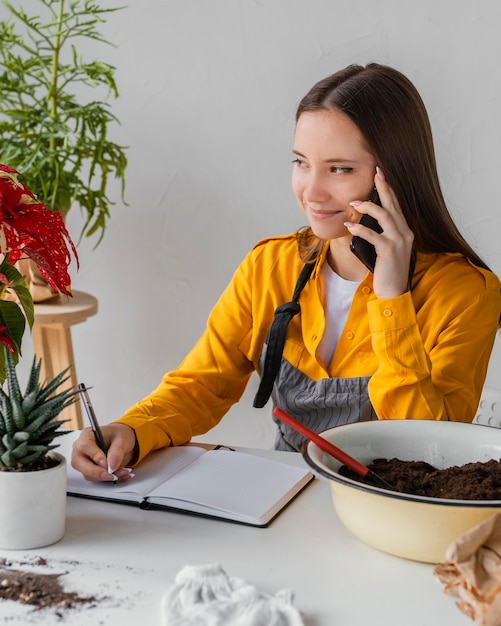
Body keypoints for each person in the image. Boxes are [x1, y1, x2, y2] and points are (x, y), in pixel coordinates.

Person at [72, 62, 501, 483]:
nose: (311, 191)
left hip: (389, 510)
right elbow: (199, 387)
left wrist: (392, 299)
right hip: (282, 496)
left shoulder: (467, 293)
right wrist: (131, 430)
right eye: (300, 162)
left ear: (393, 175)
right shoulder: (270, 266)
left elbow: (429, 449)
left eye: (339, 169)